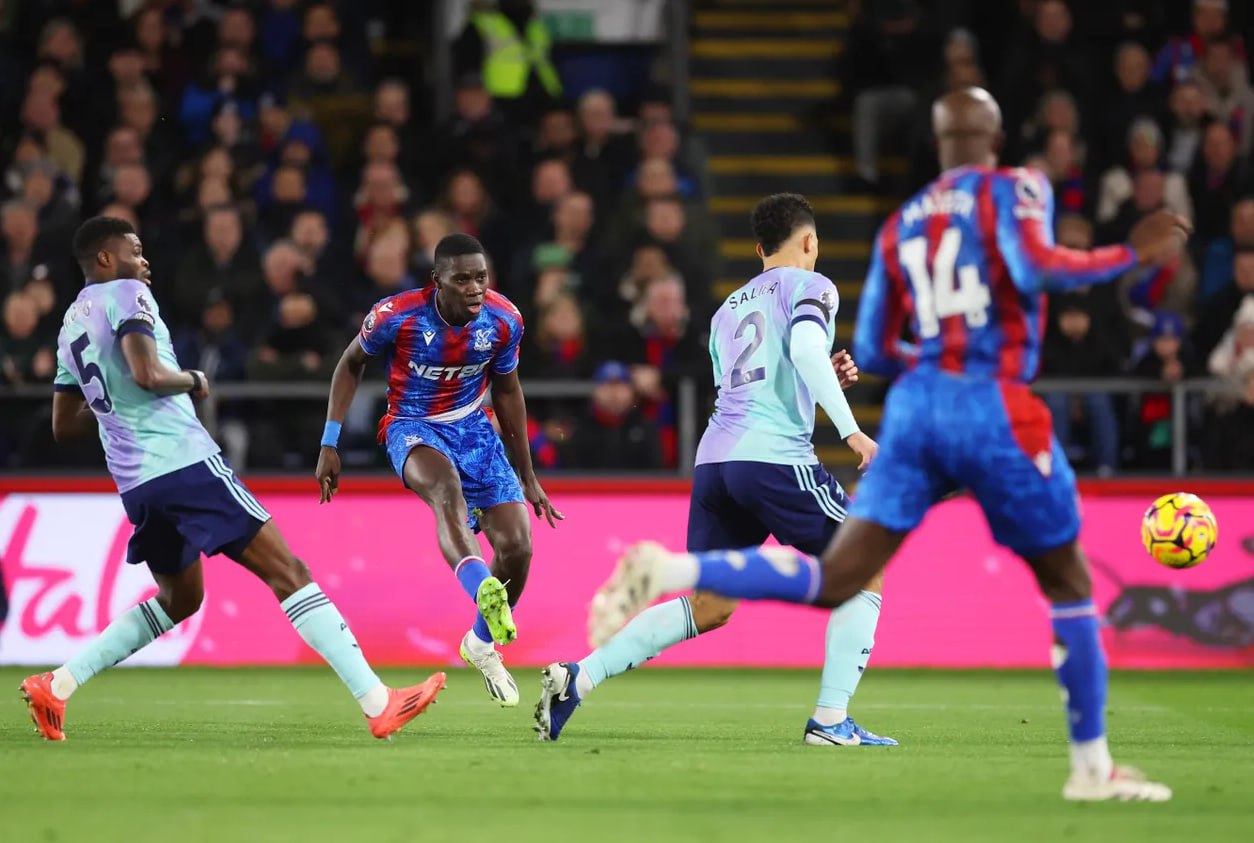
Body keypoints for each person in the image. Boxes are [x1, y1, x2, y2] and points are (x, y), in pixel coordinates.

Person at [589, 88, 1190, 802]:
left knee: (843, 575)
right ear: (995, 138)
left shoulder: (899, 225)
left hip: (914, 411)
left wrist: (911, 359)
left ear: (937, 145)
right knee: (1068, 578)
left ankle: (674, 569)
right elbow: (1038, 268)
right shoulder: (1017, 188)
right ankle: (1091, 767)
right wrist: (1129, 251)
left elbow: (873, 344)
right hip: (995, 405)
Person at [19, 217, 446, 743]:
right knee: (288, 570)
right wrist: (193, 380)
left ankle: (57, 685)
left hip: (135, 482)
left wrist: (118, 404)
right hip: (183, 462)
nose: (144, 260)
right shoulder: (127, 293)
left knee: (181, 599)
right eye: (134, 250)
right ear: (105, 260)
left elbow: (65, 424)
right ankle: (379, 702)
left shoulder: (68, 326)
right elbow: (149, 374)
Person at [535, 194, 883, 746]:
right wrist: (852, 431)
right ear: (810, 241)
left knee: (709, 606)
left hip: (716, 462)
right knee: (864, 569)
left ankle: (579, 678)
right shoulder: (812, 286)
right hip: (773, 458)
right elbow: (806, 350)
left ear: (757, 249)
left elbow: (756, 384)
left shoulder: (727, 310)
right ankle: (831, 721)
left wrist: (821, 384)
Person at [316, 233, 562, 709]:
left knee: (518, 547)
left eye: (481, 277)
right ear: (438, 282)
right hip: (411, 426)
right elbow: (350, 364)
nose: (475, 288)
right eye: (462, 279)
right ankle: (482, 589)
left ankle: (479, 643)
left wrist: (527, 475)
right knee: (446, 490)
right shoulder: (396, 316)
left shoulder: (504, 319)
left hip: (474, 426)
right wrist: (330, 441)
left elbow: (508, 391)